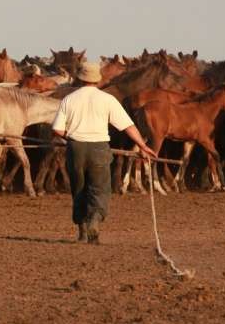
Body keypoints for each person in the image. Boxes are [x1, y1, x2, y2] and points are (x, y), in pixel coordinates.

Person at [52, 61, 157, 244]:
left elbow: (57, 129)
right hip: (99, 147)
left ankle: (83, 232)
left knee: (79, 189)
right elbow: (127, 126)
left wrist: (73, 137)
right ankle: (95, 220)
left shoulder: (69, 99)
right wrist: (142, 145)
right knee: (99, 189)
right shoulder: (107, 99)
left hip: (76, 147)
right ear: (97, 80)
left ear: (80, 79)